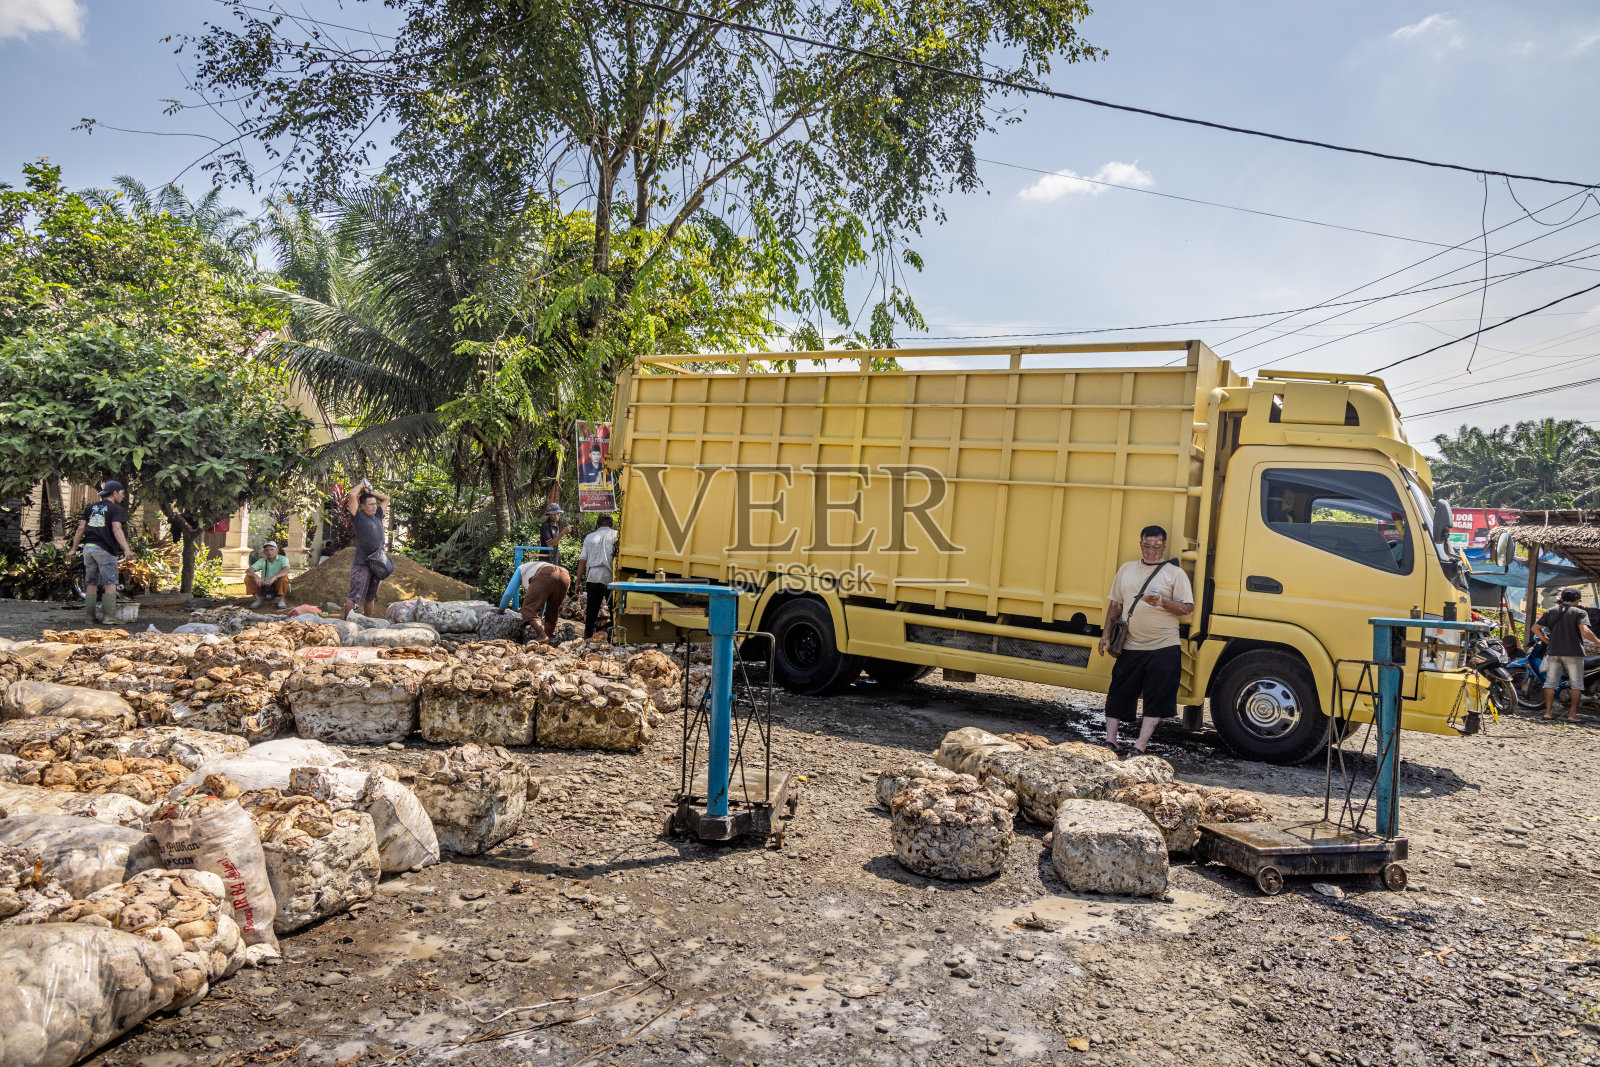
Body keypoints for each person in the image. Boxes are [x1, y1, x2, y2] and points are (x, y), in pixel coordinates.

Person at [1096, 525, 1195, 755]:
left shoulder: (1175, 574)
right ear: (1140, 544)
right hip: (1130, 644)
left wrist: (1162, 602)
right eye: (1146, 545)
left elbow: (1187, 609)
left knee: (1157, 696)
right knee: (1118, 692)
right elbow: (1115, 605)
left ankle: (1140, 745)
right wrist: (1105, 635)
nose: (1151, 551)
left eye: (1156, 547)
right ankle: (1111, 741)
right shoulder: (1126, 569)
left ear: (1164, 546)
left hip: (1164, 645)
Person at [67, 480, 133, 626]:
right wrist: (126, 549)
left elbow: (81, 528)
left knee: (91, 582)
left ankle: (90, 618)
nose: (122, 497)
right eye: (121, 494)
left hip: (88, 549)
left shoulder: (90, 507)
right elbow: (116, 529)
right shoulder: (116, 509)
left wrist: (73, 549)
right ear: (114, 493)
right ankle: (109, 617)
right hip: (105, 550)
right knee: (110, 582)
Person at [1535, 587, 1598, 723]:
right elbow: (1585, 631)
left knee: (1550, 683)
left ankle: (1548, 713)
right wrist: (1598, 642)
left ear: (1561, 598)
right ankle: (1572, 715)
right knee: (1576, 685)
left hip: (1553, 652)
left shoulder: (1550, 611)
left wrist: (1546, 640)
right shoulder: (1580, 612)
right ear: (1578, 600)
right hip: (1573, 653)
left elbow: (1535, 628)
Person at [342, 481, 391, 620]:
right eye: (370, 504)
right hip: (362, 563)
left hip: (377, 563)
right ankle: (346, 623)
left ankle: (368, 623)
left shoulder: (378, 515)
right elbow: (352, 495)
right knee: (354, 596)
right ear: (362, 506)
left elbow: (386, 498)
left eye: (375, 504)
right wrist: (361, 485)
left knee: (370, 597)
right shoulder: (358, 517)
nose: (374, 506)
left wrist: (370, 491)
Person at [575, 515, 619, 639]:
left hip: (593, 577)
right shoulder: (616, 535)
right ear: (612, 526)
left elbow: (582, 561)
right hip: (611, 578)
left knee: (591, 613)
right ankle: (615, 639)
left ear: (597, 526)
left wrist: (578, 582)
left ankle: (588, 638)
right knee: (614, 611)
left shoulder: (589, 537)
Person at [517, 556, 571, 644]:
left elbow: (508, 593)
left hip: (546, 573)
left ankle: (542, 636)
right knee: (552, 611)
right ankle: (546, 640)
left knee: (529, 608)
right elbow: (543, 603)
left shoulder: (519, 570)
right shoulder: (535, 566)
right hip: (564, 575)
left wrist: (501, 610)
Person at [246, 541, 292, 610]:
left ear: (277, 550)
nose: (269, 552)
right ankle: (258, 600)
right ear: (264, 552)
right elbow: (249, 570)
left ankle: (282, 600)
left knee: (284, 578)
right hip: (264, 584)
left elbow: (286, 570)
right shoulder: (262, 561)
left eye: (272, 550)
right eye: (267, 550)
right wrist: (256, 576)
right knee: (248, 577)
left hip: (277, 584)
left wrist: (273, 577)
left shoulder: (283, 559)